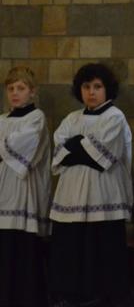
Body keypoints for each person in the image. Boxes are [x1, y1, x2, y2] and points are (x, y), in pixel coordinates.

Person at [50, 63, 133, 307]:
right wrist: (81, 146)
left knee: (101, 256)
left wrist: (74, 145)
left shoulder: (115, 117)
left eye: (97, 86)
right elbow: (60, 154)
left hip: (103, 199)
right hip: (70, 199)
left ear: (108, 89)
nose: (91, 92)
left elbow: (99, 160)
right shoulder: (71, 118)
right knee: (71, 254)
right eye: (86, 87)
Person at [0, 66, 50, 307]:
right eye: (10, 88)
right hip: (2, 194)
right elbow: (8, 145)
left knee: (22, 256)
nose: (15, 93)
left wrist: (3, 148)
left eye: (20, 88)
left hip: (23, 195)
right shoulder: (1, 120)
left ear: (32, 91)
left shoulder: (36, 118)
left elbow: (22, 146)